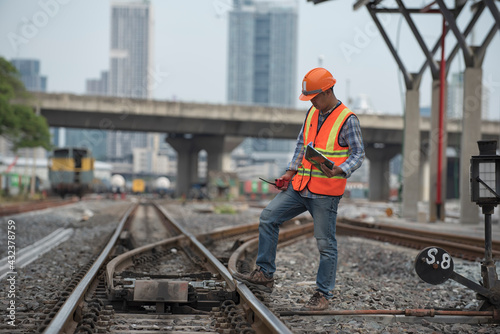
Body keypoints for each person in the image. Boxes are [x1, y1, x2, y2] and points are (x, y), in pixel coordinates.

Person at [233, 67, 365, 311]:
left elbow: (358, 155)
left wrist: (339, 169)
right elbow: (301, 146)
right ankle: (265, 273)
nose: (312, 101)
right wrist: (289, 172)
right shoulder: (312, 114)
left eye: (314, 97)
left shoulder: (348, 119)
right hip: (300, 186)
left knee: (325, 244)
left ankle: (323, 294)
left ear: (327, 91)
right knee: (268, 218)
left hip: (325, 193)